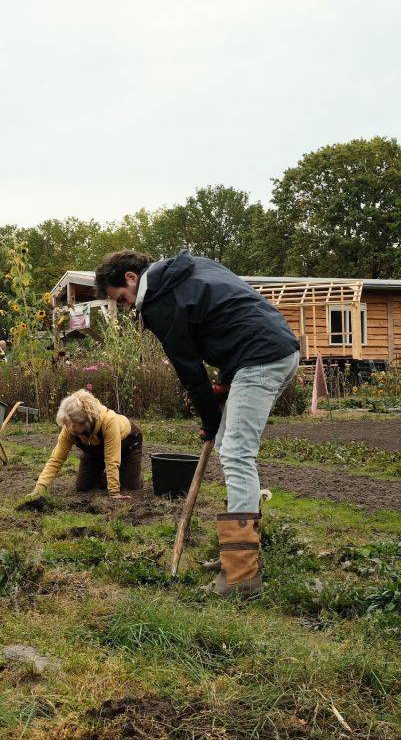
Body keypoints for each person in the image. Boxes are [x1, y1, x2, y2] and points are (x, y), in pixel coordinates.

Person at [94, 250, 300, 596]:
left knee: (236, 454)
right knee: (231, 449)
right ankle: (238, 555)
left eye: (123, 300)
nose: (129, 309)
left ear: (131, 278)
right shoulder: (193, 267)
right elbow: (228, 318)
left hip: (260, 357)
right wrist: (222, 387)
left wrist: (209, 417)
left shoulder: (158, 302)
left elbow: (189, 369)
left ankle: (241, 574)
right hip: (274, 349)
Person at [18, 389, 143, 510]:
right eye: (67, 423)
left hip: (127, 445)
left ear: (85, 421)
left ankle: (130, 473)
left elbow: (112, 459)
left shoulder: (109, 421)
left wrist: (114, 492)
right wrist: (39, 489)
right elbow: (56, 460)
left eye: (72, 424)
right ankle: (107, 476)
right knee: (83, 487)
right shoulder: (69, 429)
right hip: (95, 451)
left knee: (129, 488)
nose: (68, 428)